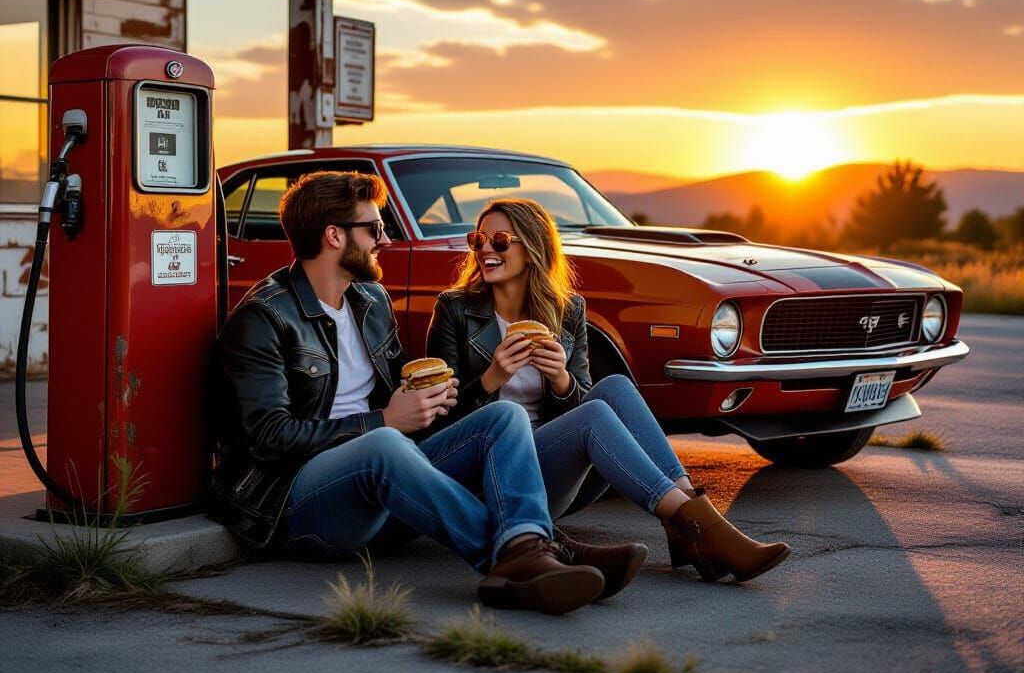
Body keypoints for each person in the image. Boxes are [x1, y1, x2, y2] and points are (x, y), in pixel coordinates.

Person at [212, 171, 624, 615]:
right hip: (300, 506)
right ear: (333, 236)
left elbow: (399, 398)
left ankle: (530, 545)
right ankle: (531, 556)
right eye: (373, 228)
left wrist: (431, 401)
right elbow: (270, 438)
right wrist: (385, 421)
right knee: (385, 443)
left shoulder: (370, 301)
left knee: (504, 418)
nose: (384, 238)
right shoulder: (264, 318)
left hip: (384, 493)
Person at [426, 197, 791, 586]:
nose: (485, 249)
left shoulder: (567, 311)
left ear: (532, 248)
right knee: (595, 415)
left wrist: (561, 380)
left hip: (555, 468)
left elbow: (580, 398)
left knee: (614, 387)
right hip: (494, 474)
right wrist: (492, 377)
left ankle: (687, 523)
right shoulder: (455, 310)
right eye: (477, 239)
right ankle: (698, 531)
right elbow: (441, 418)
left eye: (498, 240)